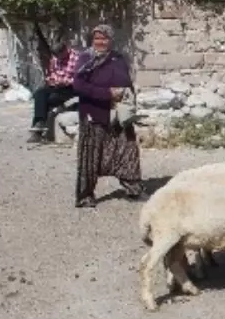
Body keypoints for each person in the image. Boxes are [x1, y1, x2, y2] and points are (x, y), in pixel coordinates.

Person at [71, 24, 146, 207]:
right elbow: (79, 86)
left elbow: (127, 81)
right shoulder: (85, 59)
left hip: (118, 113)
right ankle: (85, 195)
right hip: (94, 113)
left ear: (110, 40)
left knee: (127, 149)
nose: (100, 42)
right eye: (97, 38)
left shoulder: (118, 58)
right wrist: (107, 94)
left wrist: (129, 100)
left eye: (104, 38)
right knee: (90, 155)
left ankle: (133, 187)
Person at [27, 33, 81, 144]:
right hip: (57, 86)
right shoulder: (55, 59)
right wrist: (53, 79)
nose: (59, 59)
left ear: (66, 49)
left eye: (61, 56)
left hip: (72, 88)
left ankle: (40, 132)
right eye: (57, 57)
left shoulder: (77, 58)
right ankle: (39, 124)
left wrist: (65, 81)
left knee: (52, 98)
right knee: (39, 93)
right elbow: (52, 73)